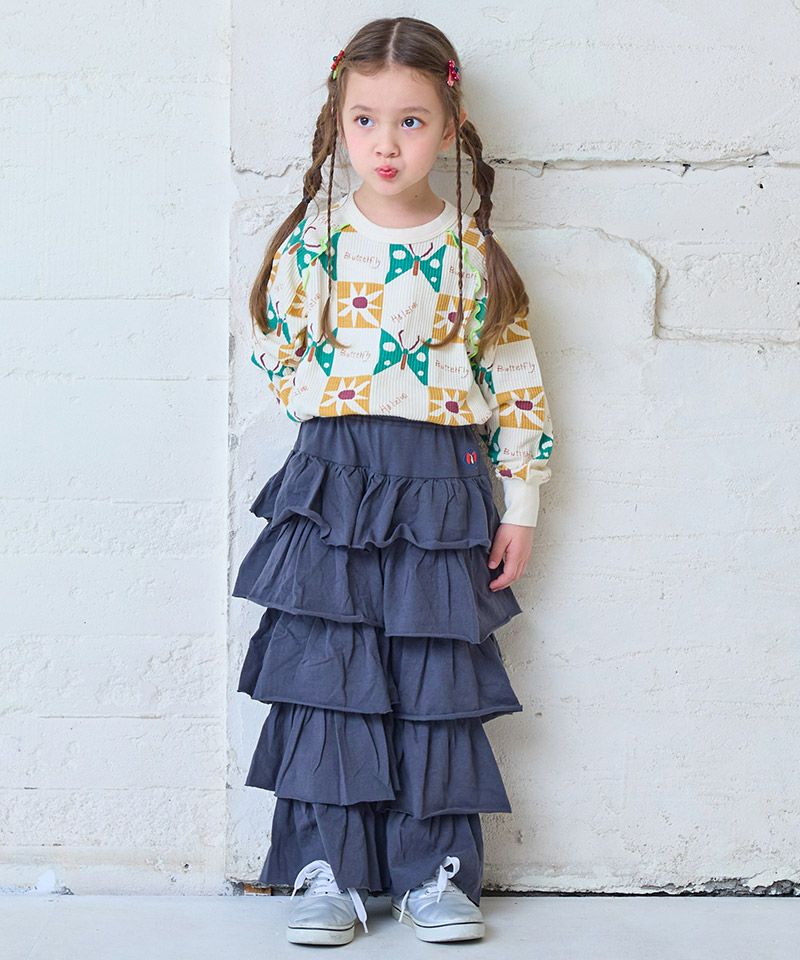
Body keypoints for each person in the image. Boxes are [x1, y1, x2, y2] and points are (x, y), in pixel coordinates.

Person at [232, 16, 555, 947]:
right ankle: (326, 870)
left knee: (432, 677)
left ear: (450, 127)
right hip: (333, 478)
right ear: (338, 124)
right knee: (327, 671)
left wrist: (522, 504)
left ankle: (433, 873)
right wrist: (329, 401)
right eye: (365, 120)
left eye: (410, 121)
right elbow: (274, 341)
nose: (386, 143)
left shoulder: (472, 254)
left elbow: (517, 384)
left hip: (441, 486)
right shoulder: (318, 242)